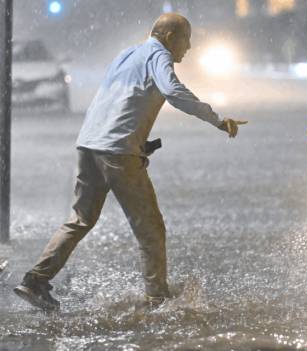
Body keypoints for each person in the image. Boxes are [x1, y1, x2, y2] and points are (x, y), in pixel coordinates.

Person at [13, 13, 246, 311]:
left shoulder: (127, 54)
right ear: (169, 36)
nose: (189, 47)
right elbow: (173, 92)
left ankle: (34, 281)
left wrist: (137, 144)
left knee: (79, 220)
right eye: (186, 39)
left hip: (89, 144)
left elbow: (120, 100)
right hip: (117, 150)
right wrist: (216, 120)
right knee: (149, 226)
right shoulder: (159, 55)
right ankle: (157, 297)